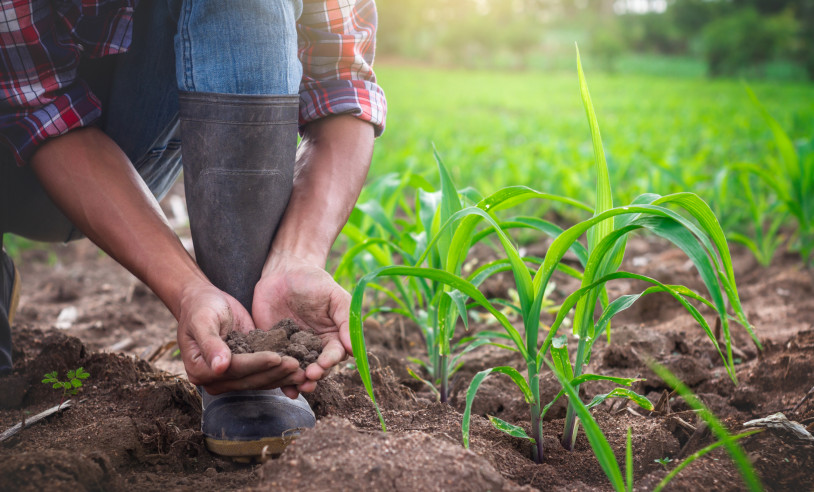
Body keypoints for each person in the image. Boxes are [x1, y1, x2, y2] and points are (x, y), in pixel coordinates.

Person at [0, 0, 386, 459]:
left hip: (130, 143)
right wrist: (183, 289)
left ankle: (239, 330)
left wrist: (296, 257)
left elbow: (342, 84)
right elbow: (38, 109)